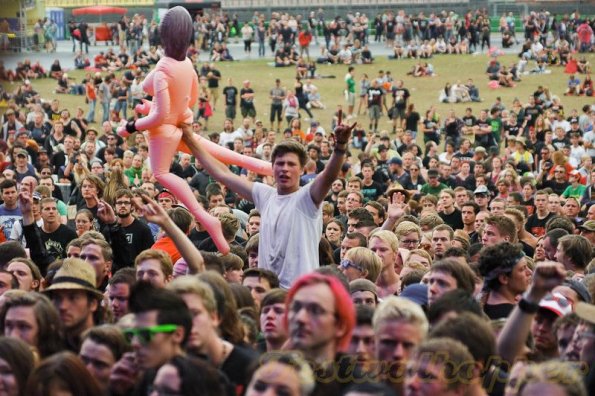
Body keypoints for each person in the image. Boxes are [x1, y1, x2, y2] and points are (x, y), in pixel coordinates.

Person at [180, 113, 355, 289]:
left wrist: (340, 147)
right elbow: (223, 174)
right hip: (266, 291)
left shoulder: (306, 199)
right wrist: (189, 139)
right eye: (280, 163)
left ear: (302, 170)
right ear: (272, 167)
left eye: (291, 164)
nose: (284, 169)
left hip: (298, 292)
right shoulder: (265, 195)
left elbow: (328, 176)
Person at [43, 258, 104, 352]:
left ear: (92, 304)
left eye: (73, 298)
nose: (63, 306)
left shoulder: (107, 347)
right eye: (57, 298)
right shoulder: (45, 346)